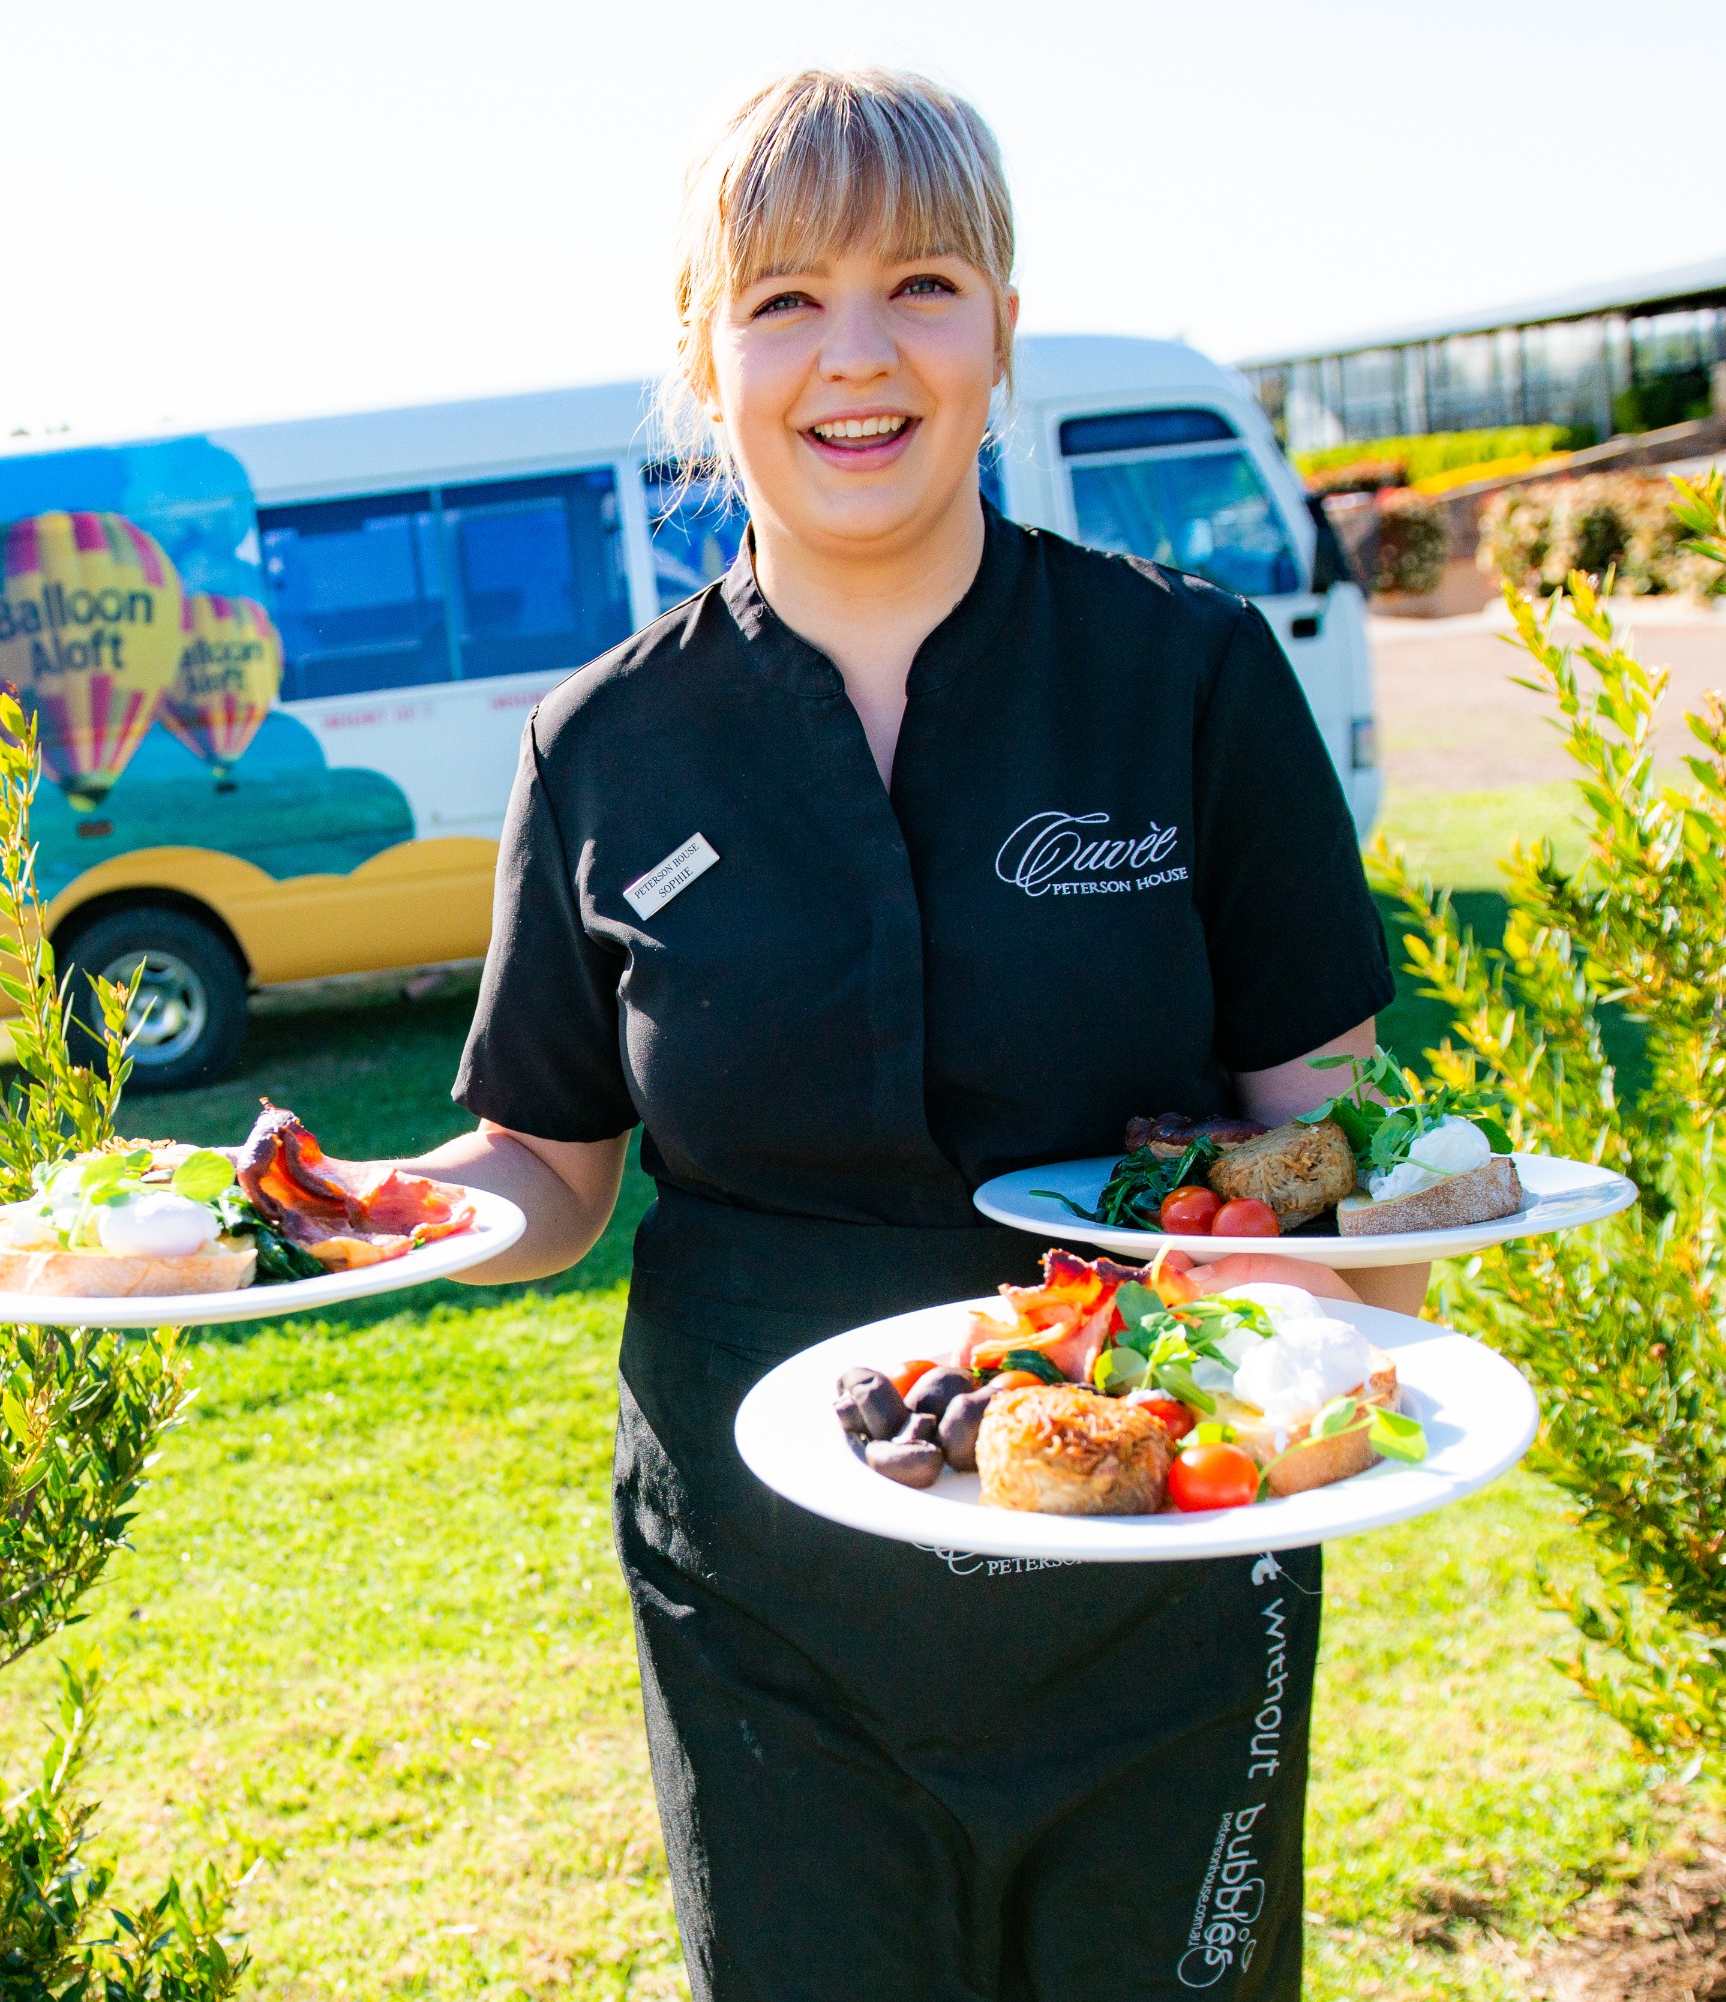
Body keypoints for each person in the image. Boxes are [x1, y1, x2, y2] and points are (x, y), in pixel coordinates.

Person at [406, 67, 1414, 2002]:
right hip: (770, 1610)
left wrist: (1372, 1335)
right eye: (781, 299)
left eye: (922, 284)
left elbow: (1319, 1136)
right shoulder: (603, 747)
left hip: (1168, 1574)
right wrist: (370, 1209)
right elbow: (544, 1167)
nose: (852, 357)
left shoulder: (1189, 678)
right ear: (704, 358)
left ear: (1004, 328)